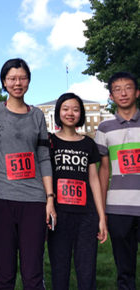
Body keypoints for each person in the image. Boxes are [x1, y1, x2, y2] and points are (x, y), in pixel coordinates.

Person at [0, 58, 56, 290]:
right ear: (4, 81)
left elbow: (43, 157)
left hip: (34, 201)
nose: (17, 83)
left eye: (22, 78)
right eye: (12, 78)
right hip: (1, 199)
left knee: (33, 272)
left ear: (29, 81)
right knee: (4, 272)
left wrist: (50, 199)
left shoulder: (37, 116)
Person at [47, 93, 108, 290]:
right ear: (58, 112)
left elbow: (94, 180)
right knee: (59, 269)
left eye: (75, 109)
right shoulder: (49, 142)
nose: (70, 113)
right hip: (58, 214)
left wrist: (101, 216)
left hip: (85, 216)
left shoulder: (88, 144)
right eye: (65, 109)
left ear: (81, 113)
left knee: (87, 269)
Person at [95, 72, 140, 290]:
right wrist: (102, 211)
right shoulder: (104, 128)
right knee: (125, 269)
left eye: (128, 87)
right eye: (117, 89)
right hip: (118, 209)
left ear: (137, 92)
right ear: (111, 96)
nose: (123, 93)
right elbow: (103, 171)